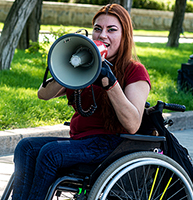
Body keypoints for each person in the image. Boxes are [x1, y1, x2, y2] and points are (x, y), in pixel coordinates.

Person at [11, 3, 151, 200]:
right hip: (81, 142)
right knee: (25, 147)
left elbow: (132, 124)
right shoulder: (87, 65)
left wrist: (110, 82)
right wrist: (64, 67)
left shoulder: (134, 70)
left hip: (112, 144)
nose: (102, 35)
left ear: (124, 36)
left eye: (112, 30)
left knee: (51, 153)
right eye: (97, 29)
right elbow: (43, 94)